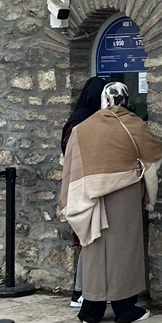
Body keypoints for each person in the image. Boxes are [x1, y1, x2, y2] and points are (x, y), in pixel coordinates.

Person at [60, 80, 162, 323]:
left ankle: (90, 310)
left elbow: (70, 162)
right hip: (124, 193)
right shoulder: (133, 124)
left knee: (94, 248)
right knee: (124, 250)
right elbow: (153, 153)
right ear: (125, 99)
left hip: (90, 194)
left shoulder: (82, 128)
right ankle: (124, 308)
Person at [60, 77, 108, 308]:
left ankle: (82, 291)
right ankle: (81, 292)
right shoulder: (88, 124)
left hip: (74, 186)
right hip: (87, 188)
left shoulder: (73, 121)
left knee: (85, 240)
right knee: (89, 241)